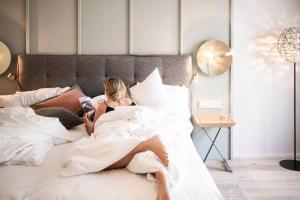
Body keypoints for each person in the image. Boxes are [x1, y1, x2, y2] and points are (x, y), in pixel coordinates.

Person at [83, 77, 171, 200]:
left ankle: (147, 145)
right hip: (132, 128)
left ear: (106, 91)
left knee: (103, 159)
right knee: (137, 159)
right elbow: (136, 116)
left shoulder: (103, 106)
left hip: (114, 130)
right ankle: (159, 173)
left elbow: (95, 130)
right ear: (122, 88)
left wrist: (88, 124)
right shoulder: (130, 101)